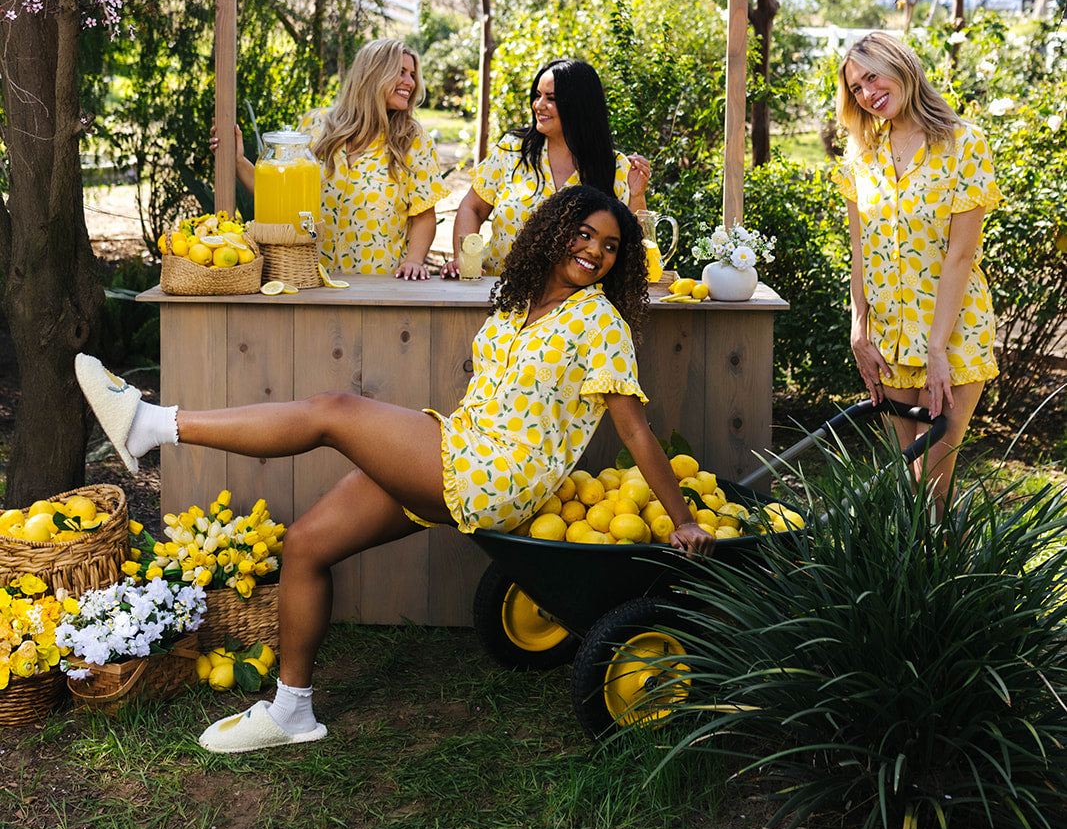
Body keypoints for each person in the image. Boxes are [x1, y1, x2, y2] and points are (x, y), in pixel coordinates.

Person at [75, 186, 713, 752]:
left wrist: (681, 520)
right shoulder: (520, 303)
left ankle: (152, 425)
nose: (594, 252)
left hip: (497, 474)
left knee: (334, 411)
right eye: (583, 234)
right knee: (306, 545)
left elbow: (634, 428)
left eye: (609, 247)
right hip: (459, 446)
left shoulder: (599, 321)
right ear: (554, 230)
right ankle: (292, 712)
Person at [834, 31, 1001, 516]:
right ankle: (908, 589)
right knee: (905, 488)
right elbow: (860, 250)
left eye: (872, 76)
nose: (867, 93)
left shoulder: (963, 143)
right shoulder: (860, 153)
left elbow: (960, 257)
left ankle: (948, 587)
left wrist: (935, 350)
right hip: (886, 338)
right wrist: (857, 330)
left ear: (902, 66)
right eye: (856, 88)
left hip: (950, 336)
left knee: (932, 483)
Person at [220, 39, 447, 280]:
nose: (410, 83)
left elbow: (423, 215)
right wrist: (237, 161)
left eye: (412, 75)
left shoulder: (413, 139)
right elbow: (279, 194)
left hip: (378, 286)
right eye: (401, 72)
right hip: (309, 281)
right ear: (372, 74)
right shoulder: (315, 125)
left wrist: (413, 261)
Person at [444, 57, 651, 277]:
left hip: (576, 305)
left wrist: (637, 195)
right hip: (498, 291)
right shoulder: (512, 149)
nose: (538, 105)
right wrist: (464, 261)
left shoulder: (615, 166)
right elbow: (472, 208)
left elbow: (632, 246)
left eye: (550, 98)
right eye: (537, 95)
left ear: (579, 105)